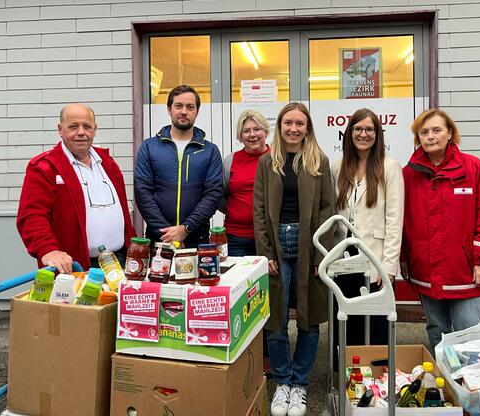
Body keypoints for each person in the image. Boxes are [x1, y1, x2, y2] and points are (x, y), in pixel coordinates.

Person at [254, 102, 334, 416]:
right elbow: (259, 212)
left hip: (308, 242)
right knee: (274, 320)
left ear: (307, 128)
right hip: (276, 244)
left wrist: (320, 254)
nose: (293, 129)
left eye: (300, 124)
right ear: (280, 126)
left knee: (309, 319)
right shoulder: (267, 162)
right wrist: (266, 253)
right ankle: (283, 382)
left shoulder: (319, 161)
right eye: (288, 123)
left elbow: (328, 210)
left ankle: (299, 384)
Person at [401, 108, 480, 353]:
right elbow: (403, 221)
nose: (430, 136)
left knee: (471, 331)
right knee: (437, 330)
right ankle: (446, 384)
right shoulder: (409, 174)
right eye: (424, 132)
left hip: (466, 273)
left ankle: (474, 388)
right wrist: (405, 258)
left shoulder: (473, 168)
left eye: (437, 130)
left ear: (450, 134)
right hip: (426, 271)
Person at [16, 103, 135, 273]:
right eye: (73, 126)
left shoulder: (108, 163)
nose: (81, 132)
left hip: (119, 262)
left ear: (94, 129)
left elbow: (123, 212)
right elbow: (32, 216)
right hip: (76, 268)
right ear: (60, 129)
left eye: (87, 126)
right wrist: (48, 250)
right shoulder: (45, 167)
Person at [331, 108, 404, 347]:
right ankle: (346, 375)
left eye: (369, 129)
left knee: (374, 323)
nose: (364, 134)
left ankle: (376, 375)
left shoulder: (390, 167)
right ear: (349, 132)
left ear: (378, 134)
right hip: (343, 255)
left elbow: (395, 220)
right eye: (358, 128)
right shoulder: (338, 165)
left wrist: (389, 267)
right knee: (346, 319)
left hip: (375, 256)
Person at [135, 84, 223, 247]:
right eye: (178, 106)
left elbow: (213, 194)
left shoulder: (210, 151)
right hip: (159, 238)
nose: (184, 111)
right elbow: (142, 192)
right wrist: (168, 234)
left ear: (196, 111)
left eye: (190, 107)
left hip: (197, 238)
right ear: (169, 109)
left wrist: (186, 228)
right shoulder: (149, 147)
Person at [220, 110, 270, 256]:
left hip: (270, 237)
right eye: (246, 131)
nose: (252, 134)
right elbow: (220, 195)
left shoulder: (277, 159)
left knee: (269, 279)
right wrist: (236, 211)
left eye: (257, 129)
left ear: (266, 132)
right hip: (236, 237)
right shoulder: (230, 161)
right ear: (240, 136)